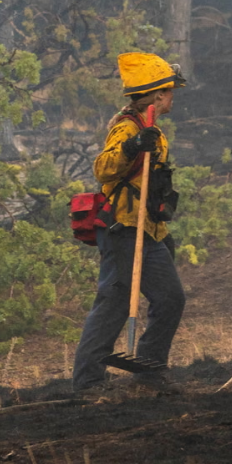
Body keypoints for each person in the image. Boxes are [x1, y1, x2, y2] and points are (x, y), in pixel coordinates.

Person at [72, 52, 188, 395]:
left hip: (148, 229)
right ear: (157, 95)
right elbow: (103, 169)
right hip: (122, 228)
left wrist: (162, 236)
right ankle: (88, 382)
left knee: (169, 298)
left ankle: (149, 370)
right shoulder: (127, 128)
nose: (172, 97)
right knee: (114, 303)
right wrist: (133, 146)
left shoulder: (151, 128)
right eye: (170, 91)